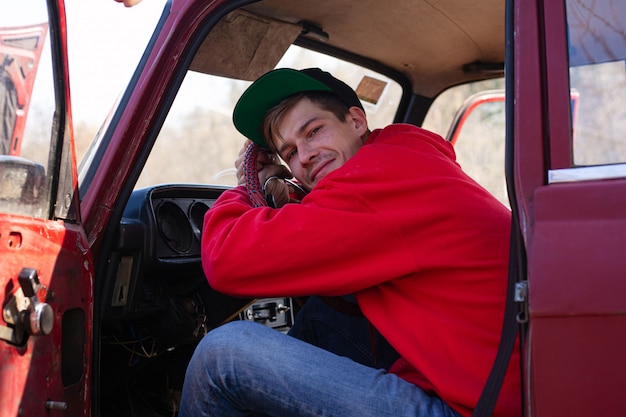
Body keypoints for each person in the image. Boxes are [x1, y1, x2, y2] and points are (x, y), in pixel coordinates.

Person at [179, 68, 521, 417]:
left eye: (314, 131)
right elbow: (333, 228)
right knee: (324, 315)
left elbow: (225, 261)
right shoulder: (403, 159)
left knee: (221, 356)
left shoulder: (377, 181)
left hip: (471, 409)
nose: (306, 154)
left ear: (356, 121)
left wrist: (243, 189)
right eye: (290, 153)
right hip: (487, 388)